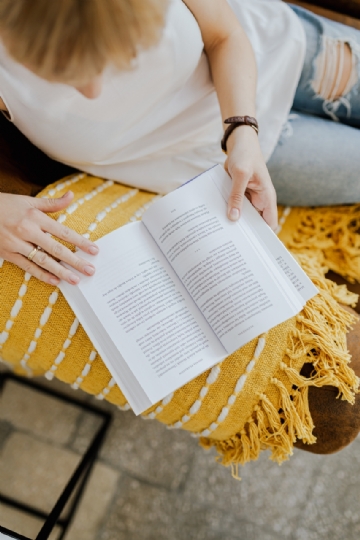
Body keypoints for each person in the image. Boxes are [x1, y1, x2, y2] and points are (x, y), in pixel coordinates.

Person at [0, 0, 360, 458]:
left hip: (269, 56)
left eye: (122, 54)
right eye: (52, 68)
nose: (90, 88)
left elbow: (225, 34)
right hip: (229, 154)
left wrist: (242, 130)